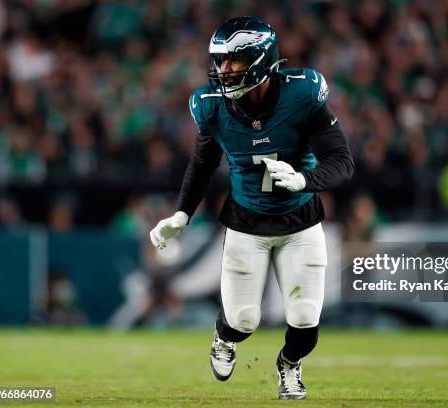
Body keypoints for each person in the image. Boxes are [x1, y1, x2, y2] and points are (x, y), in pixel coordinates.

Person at [149, 16, 353, 400]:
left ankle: (289, 366)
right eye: (220, 61)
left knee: (306, 317)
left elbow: (341, 159)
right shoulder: (211, 107)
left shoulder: (303, 93)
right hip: (246, 222)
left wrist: (304, 180)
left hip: (300, 220)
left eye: (233, 61)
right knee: (243, 320)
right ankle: (224, 338)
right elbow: (202, 164)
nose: (223, 69)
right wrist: (182, 214)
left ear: (260, 60)